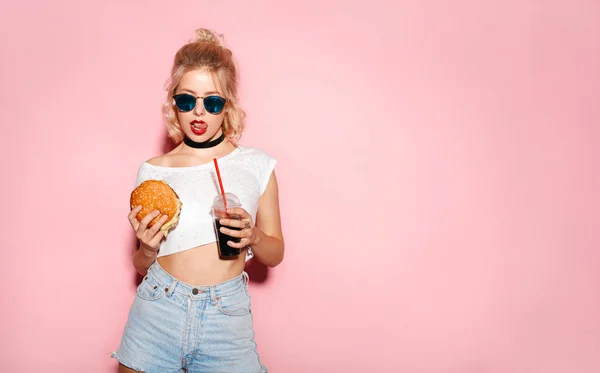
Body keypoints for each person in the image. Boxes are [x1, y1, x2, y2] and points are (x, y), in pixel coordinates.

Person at [112, 28, 284, 373]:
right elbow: (143, 265)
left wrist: (253, 237)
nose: (199, 113)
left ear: (228, 106)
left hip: (226, 313)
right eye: (187, 100)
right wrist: (146, 249)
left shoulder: (256, 165)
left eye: (213, 102)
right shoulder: (153, 172)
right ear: (173, 103)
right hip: (158, 307)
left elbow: (275, 254)